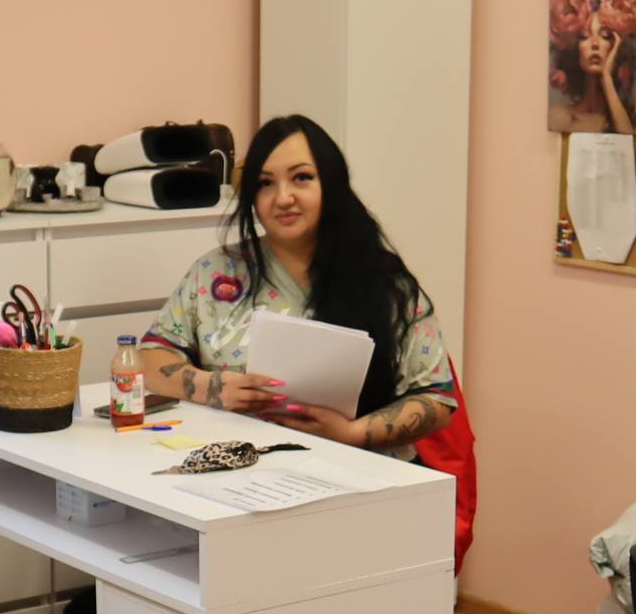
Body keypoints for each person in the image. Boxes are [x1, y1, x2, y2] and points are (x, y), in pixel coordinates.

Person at [137, 115, 460, 456]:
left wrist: (353, 433)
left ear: (332, 184)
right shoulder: (215, 272)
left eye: (302, 178)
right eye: (265, 183)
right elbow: (145, 361)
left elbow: (436, 400)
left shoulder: (386, 281)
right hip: (238, 469)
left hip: (361, 471)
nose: (283, 197)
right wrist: (212, 387)